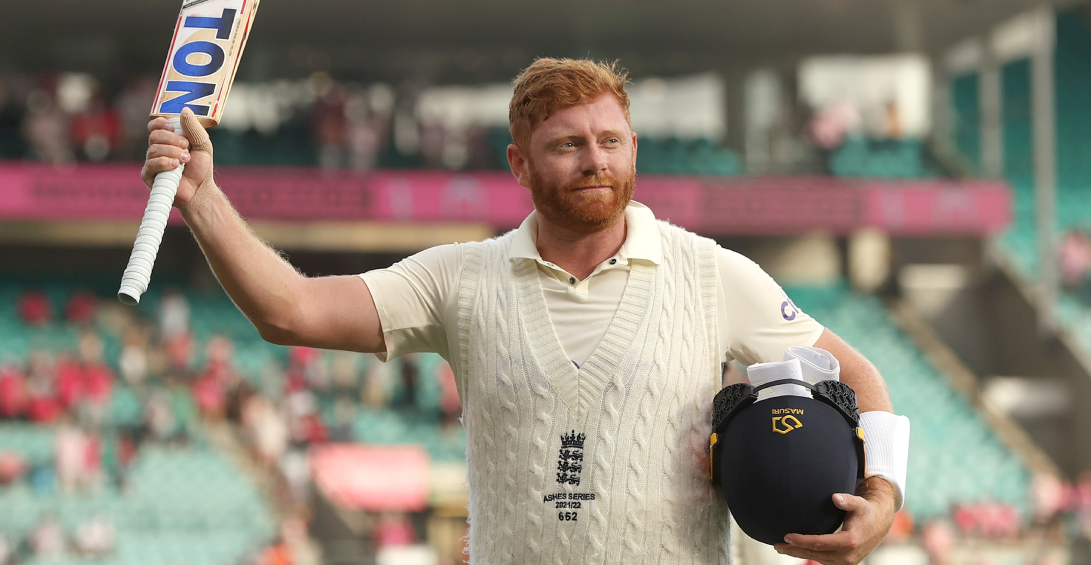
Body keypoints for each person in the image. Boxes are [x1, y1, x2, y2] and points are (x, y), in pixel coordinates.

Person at [141, 58, 904, 565]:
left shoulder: (712, 273)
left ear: (634, 148)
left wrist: (881, 500)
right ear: (519, 163)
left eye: (611, 140)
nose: (595, 160)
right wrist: (203, 201)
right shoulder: (460, 280)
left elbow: (859, 377)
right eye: (568, 145)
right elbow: (291, 310)